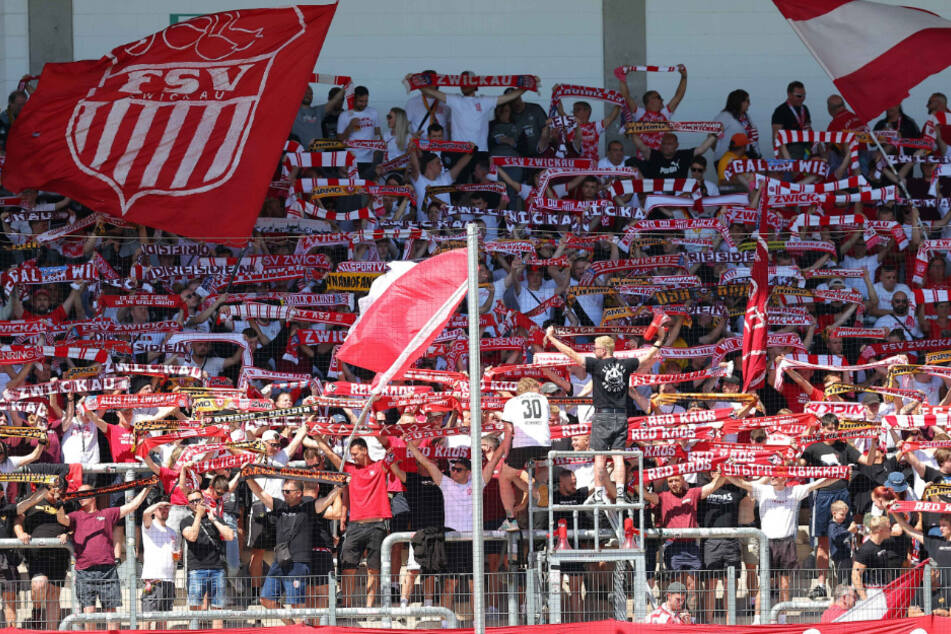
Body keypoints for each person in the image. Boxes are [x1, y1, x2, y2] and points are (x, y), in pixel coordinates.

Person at [544, 325, 667, 505]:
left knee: (599, 457)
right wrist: (660, 339)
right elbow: (648, 356)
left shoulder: (596, 365)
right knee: (618, 456)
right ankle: (619, 495)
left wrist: (552, 338)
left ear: (602, 349)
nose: (593, 351)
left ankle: (600, 493)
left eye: (595, 348)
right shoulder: (626, 365)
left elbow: (571, 354)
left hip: (602, 416)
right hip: (621, 416)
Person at [405, 437, 505, 628]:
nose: (453, 472)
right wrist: (410, 446)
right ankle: (445, 623)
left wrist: (506, 439)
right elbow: (426, 463)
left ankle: (478, 621)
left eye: (458, 469)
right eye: (452, 469)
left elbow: (493, 462)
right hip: (452, 539)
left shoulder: (476, 484)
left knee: (474, 584)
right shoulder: (446, 483)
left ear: (468, 472)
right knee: (450, 583)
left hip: (471, 540)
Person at [726, 471, 838, 622]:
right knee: (764, 584)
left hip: (786, 543)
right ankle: (757, 619)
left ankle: (782, 618)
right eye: (771, 475)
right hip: (767, 544)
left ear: (784, 478)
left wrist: (839, 474)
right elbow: (741, 483)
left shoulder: (795, 491)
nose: (772, 477)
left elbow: (819, 483)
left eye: (776, 475)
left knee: (784, 584)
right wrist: (725, 473)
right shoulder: (762, 489)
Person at [245, 476, 342, 624]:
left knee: (297, 604)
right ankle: (293, 628)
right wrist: (248, 477)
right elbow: (260, 493)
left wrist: (340, 486)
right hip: (280, 560)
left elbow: (327, 500)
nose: (284, 493)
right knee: (266, 599)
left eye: (288, 491)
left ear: (299, 493)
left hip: (298, 563)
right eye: (283, 491)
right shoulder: (279, 505)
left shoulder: (308, 507)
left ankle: (299, 629)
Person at [61, 483, 152, 630]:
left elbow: (133, 505)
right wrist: (59, 504)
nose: (79, 498)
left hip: (107, 571)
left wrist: (148, 487)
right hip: (84, 572)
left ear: (93, 496)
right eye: (78, 495)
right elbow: (62, 519)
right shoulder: (76, 516)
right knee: (89, 614)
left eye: (83, 494)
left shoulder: (107, 514)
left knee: (111, 614)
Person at [314, 436, 391, 608]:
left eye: (355, 453)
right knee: (348, 566)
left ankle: (370, 609)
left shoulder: (379, 467)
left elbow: (391, 449)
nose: (353, 457)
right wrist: (317, 436)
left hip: (377, 524)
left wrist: (382, 433)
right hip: (355, 525)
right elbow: (330, 453)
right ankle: (347, 606)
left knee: (373, 569)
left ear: (365, 450)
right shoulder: (349, 469)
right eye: (351, 454)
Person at [417, 71, 526, 151]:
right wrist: (415, 82)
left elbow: (509, 97)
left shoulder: (484, 101)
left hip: (480, 151)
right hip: (458, 152)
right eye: (462, 81)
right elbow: (431, 92)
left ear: (476, 86)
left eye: (468, 81)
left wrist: (527, 86)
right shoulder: (455, 99)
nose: (464, 84)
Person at [15, 480, 73, 629]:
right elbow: (17, 517)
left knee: (54, 596)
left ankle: (51, 631)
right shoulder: (33, 500)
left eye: (60, 489)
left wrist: (69, 534)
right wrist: (21, 533)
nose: (56, 492)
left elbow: (76, 524)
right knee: (39, 585)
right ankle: (37, 610)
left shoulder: (68, 503)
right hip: (37, 554)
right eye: (53, 488)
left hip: (59, 555)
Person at [499, 377, 552, 530]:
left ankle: (511, 520)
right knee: (522, 472)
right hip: (544, 445)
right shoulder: (543, 400)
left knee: (504, 477)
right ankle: (539, 493)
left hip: (522, 444)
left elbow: (509, 431)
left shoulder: (511, 402)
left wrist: (506, 454)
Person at [181, 489, 235, 629]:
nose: (195, 503)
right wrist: (198, 516)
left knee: (218, 609)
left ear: (203, 500)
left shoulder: (214, 517)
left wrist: (214, 520)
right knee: (195, 610)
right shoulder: (186, 521)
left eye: (198, 500)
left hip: (217, 569)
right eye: (192, 501)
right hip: (196, 569)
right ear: (188, 504)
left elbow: (230, 536)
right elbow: (192, 536)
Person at [141, 498, 178, 630]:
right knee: (147, 618)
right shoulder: (149, 526)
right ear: (155, 510)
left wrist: (177, 556)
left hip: (169, 580)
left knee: (163, 620)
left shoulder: (172, 532)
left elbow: (174, 555)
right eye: (161, 508)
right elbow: (145, 514)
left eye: (166, 508)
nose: (164, 510)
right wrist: (158, 504)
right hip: (153, 579)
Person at [627, 131, 718, 179]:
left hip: (679, 196)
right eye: (664, 144)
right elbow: (641, 146)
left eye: (670, 144)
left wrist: (715, 134)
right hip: (658, 196)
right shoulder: (654, 155)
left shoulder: (683, 155)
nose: (666, 147)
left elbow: (701, 149)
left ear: (676, 145)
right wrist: (632, 131)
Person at [336, 85, 381, 172]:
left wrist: (378, 152)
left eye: (366, 101)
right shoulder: (344, 115)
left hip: (369, 158)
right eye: (361, 101)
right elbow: (339, 139)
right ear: (354, 99)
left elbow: (377, 133)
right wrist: (350, 127)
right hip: (352, 158)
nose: (364, 104)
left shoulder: (373, 112)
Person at [292, 82, 348, 147]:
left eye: (310, 94)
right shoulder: (291, 112)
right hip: (300, 155)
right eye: (305, 93)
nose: (308, 95)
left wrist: (345, 88)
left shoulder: (318, 110)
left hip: (321, 154)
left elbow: (334, 101)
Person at [714, 89, 759, 159]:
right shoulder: (724, 117)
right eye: (747, 101)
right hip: (727, 159)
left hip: (746, 157)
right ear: (739, 102)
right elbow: (713, 137)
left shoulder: (747, 116)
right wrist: (720, 154)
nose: (749, 104)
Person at [771, 81, 812, 158]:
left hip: (806, 148)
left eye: (804, 95)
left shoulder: (805, 108)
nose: (802, 98)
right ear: (789, 95)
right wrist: (781, 157)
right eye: (799, 96)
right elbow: (776, 136)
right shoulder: (780, 111)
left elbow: (808, 127)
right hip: (791, 149)